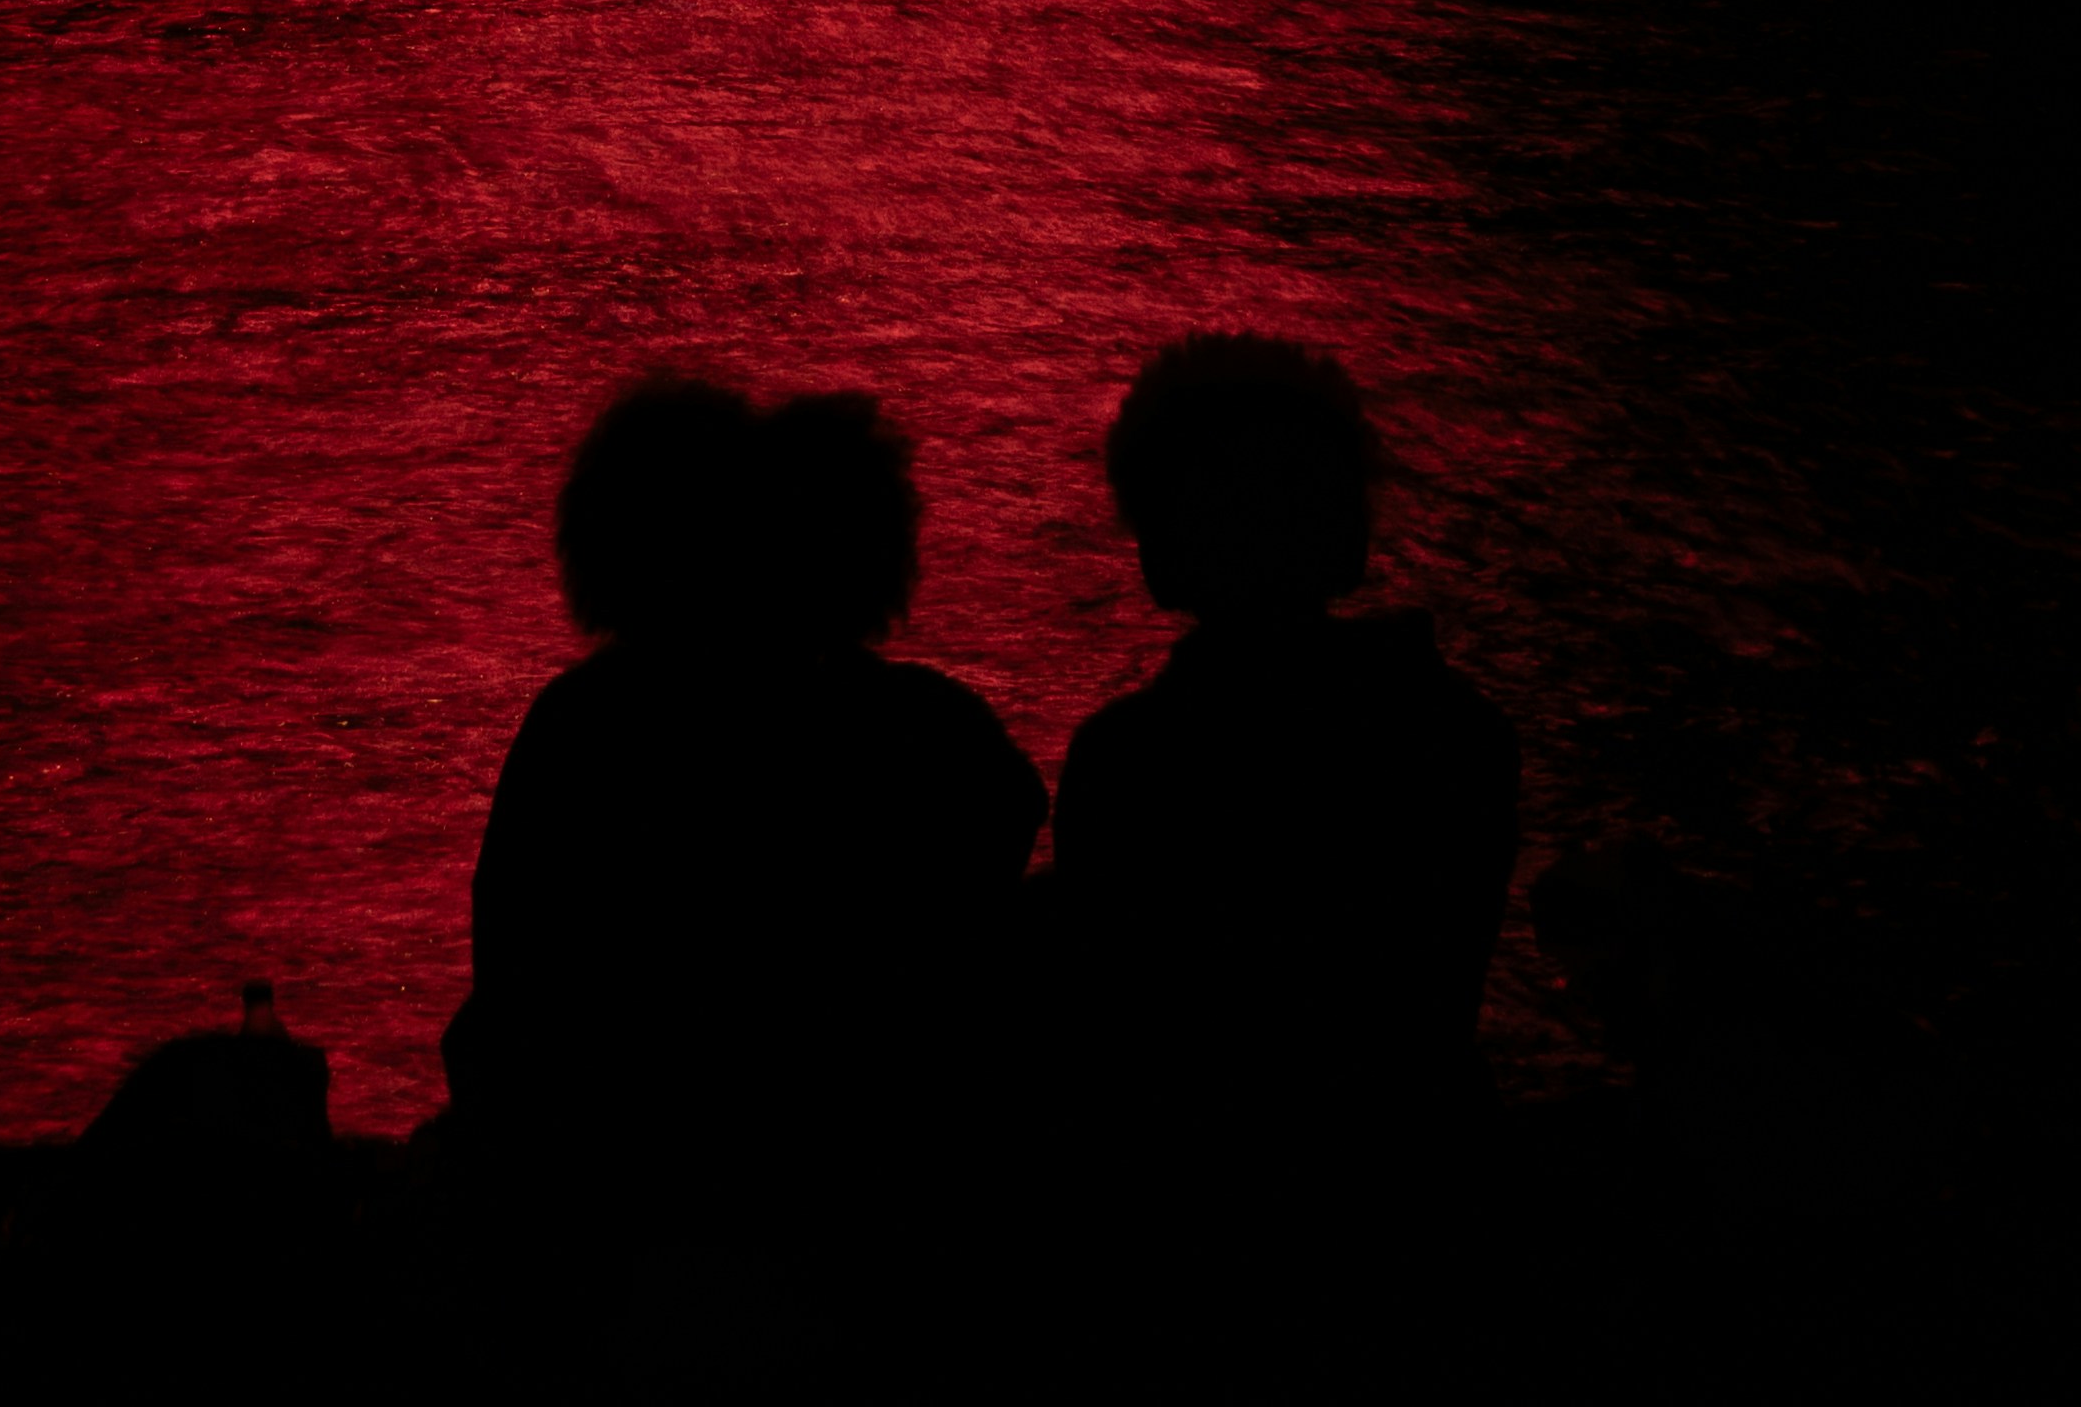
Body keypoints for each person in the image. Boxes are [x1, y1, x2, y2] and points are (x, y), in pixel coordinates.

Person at [442, 372, 1045, 1358]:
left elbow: (517, 992)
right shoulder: (923, 728)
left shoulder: (585, 729)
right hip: (870, 1217)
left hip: (633, 1217)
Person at [1048, 334, 1519, 1209]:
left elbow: (1111, 1029)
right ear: (1347, 530)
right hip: (1428, 1179)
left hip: (1202, 1197)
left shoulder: (1130, 762)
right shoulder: (1463, 736)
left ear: (1160, 545)